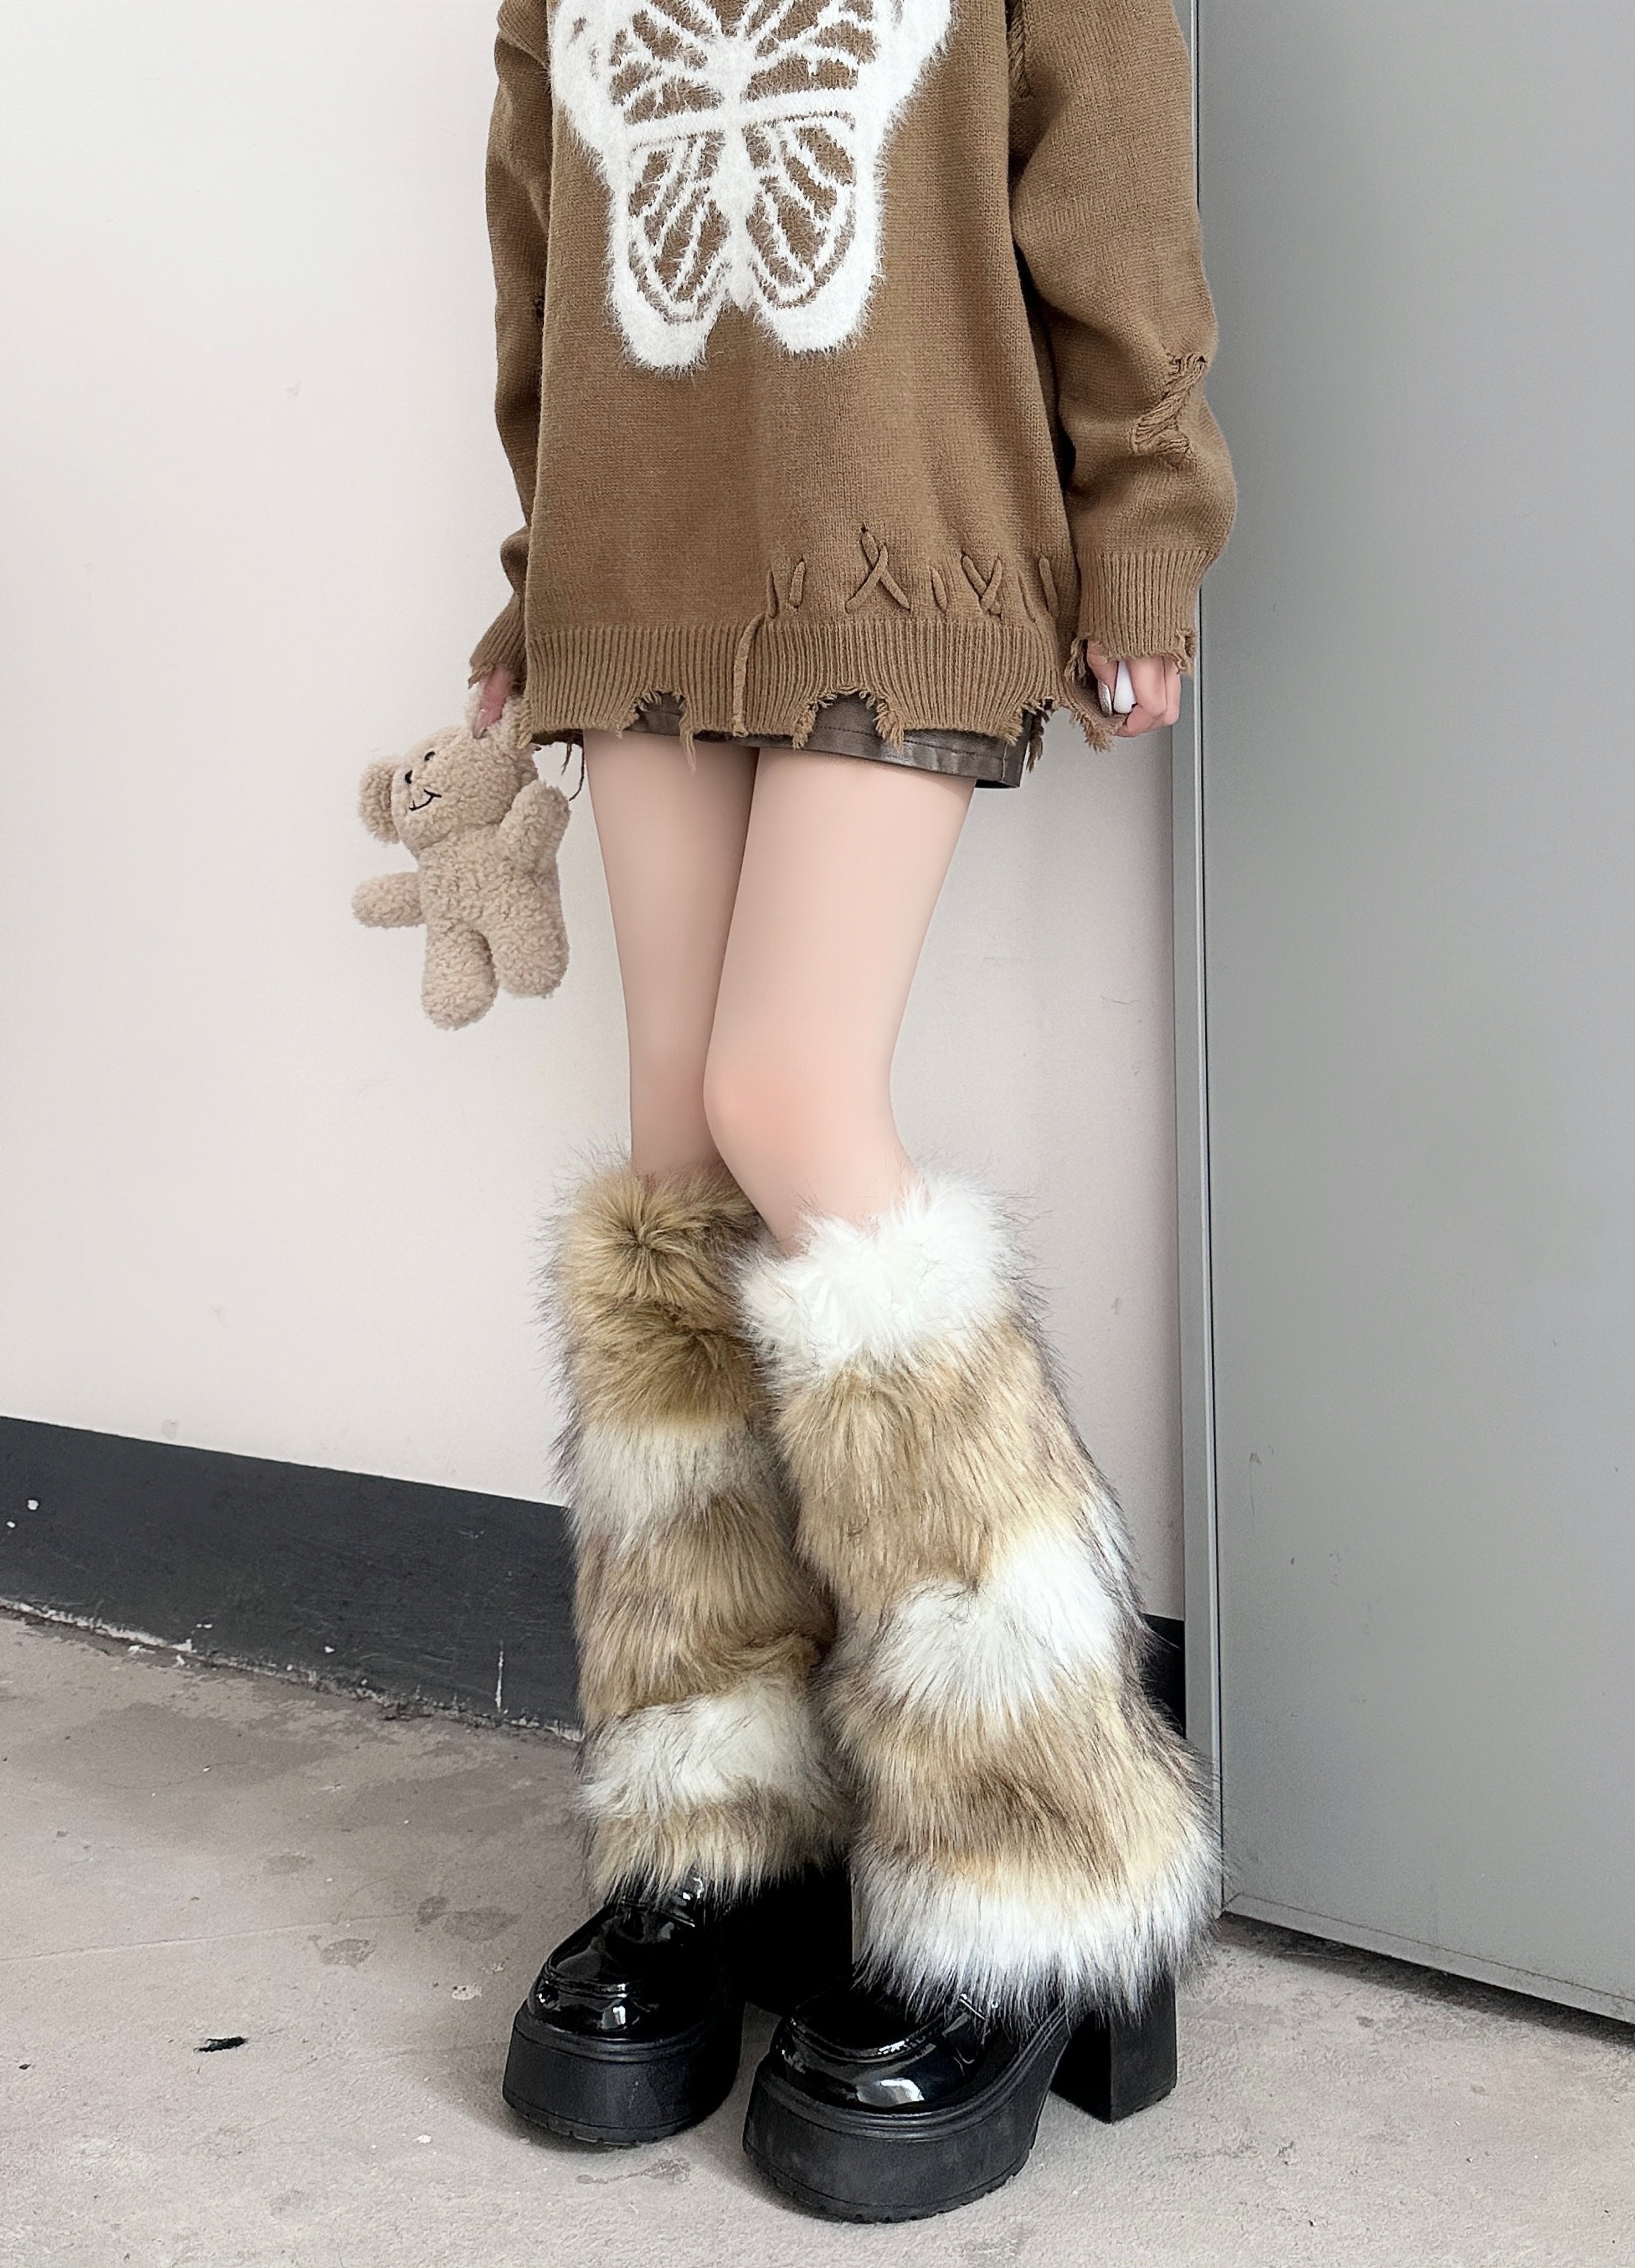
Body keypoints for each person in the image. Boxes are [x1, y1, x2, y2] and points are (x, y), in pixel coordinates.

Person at [466, 0, 1235, 2220]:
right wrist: (534, 575)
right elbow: (541, 235)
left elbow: (1105, 154)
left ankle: (1038, 1841)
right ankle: (725, 1821)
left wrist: (1146, 518)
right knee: (681, 1165)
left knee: (787, 1100)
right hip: (636, 559)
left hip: (905, 528)